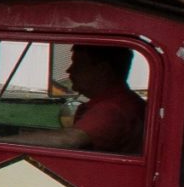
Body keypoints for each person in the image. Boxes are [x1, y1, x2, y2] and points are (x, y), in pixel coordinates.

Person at [17, 44, 145, 154]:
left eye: (77, 63)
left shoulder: (112, 109)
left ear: (102, 70)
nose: (69, 70)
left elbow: (69, 140)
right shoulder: (125, 101)